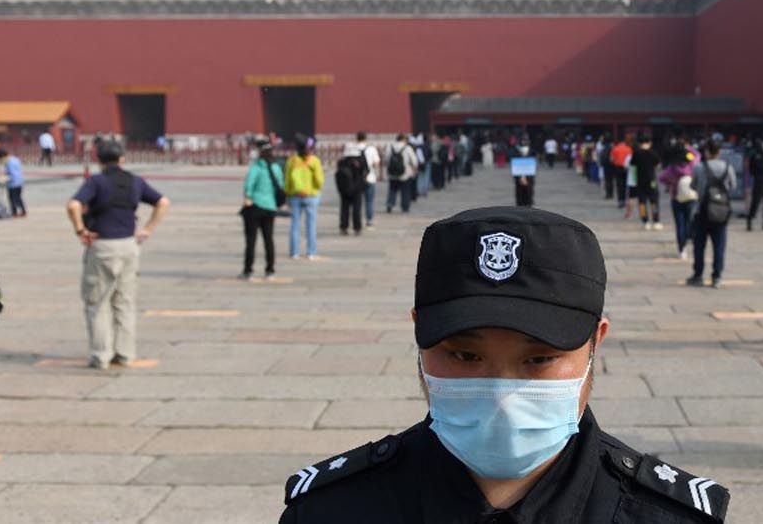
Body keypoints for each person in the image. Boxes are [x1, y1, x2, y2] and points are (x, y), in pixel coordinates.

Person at [277, 206, 730, 523]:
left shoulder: (664, 516)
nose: (500, 393)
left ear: (596, 343)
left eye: (539, 359)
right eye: (465, 355)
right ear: (419, 334)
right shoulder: (331, 510)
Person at [66, 140, 169, 369]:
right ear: (122, 159)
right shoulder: (135, 181)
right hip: (128, 245)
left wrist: (80, 230)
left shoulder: (96, 182)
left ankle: (101, 355)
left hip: (102, 245)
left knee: (98, 301)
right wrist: (148, 229)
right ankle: (125, 354)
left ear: (99, 161)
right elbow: (162, 201)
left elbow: (73, 205)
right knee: (124, 302)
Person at [688, 140, 736, 287]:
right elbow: (733, 186)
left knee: (699, 245)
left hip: (702, 210)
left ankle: (698, 275)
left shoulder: (699, 167)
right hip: (721, 211)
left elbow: (693, 185)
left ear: (706, 152)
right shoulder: (728, 167)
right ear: (719, 152)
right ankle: (717, 276)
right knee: (719, 245)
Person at [240, 141, 284, 280]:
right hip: (270, 208)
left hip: (255, 207)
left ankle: (248, 270)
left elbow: (248, 186)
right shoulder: (276, 168)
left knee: (251, 241)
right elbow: (281, 185)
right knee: (268, 239)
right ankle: (270, 270)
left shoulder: (257, 167)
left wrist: (248, 197)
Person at [285, 136, 325, 260]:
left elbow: (287, 180)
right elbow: (319, 181)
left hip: (295, 195)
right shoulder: (314, 161)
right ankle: (311, 252)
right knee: (311, 225)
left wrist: (288, 192)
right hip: (311, 195)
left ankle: (294, 252)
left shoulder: (292, 161)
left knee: (294, 225)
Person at [659, 147, 698, 260]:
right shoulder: (692, 165)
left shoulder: (672, 168)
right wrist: (689, 147)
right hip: (691, 197)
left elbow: (661, 178)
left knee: (679, 224)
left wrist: (671, 184)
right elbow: (697, 156)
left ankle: (682, 249)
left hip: (676, 198)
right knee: (689, 220)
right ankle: (689, 237)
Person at [336, 144, 368, 237]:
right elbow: (366, 172)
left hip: (344, 189)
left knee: (344, 209)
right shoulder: (360, 161)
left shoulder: (341, 162)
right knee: (356, 209)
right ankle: (357, 228)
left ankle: (343, 227)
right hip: (357, 188)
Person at [745, 134, 763, 232]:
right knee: (756, 201)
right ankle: (750, 220)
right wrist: (757, 175)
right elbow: (751, 168)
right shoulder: (756, 154)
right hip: (759, 180)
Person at [633, 137, 663, 230]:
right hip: (652, 181)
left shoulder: (636, 153)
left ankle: (645, 222)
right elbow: (658, 165)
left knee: (642, 203)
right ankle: (656, 221)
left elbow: (632, 166)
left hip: (640, 181)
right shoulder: (653, 153)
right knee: (654, 202)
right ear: (649, 143)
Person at [386, 135, 420, 214]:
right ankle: (405, 206)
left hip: (392, 173)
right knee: (405, 191)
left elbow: (386, 159)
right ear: (404, 139)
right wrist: (414, 170)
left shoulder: (390, 147)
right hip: (405, 174)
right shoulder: (407, 148)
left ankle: (390, 204)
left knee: (392, 190)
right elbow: (414, 161)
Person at [356, 132, 381, 230]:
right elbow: (376, 163)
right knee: (369, 201)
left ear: (356, 138)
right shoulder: (371, 149)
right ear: (366, 138)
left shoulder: (352, 149)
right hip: (370, 178)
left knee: (357, 201)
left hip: (356, 180)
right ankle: (369, 221)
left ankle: (356, 221)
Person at [0, 148, 26, 217]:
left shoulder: (10, 162)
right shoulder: (14, 159)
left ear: (3, 157)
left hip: (14, 184)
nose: (0, 161)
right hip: (19, 182)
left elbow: (13, 175)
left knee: (13, 199)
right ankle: (22, 211)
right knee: (18, 198)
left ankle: (15, 213)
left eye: (0, 159)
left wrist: (4, 178)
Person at [510, 136, 536, 207]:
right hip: (519, 174)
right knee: (519, 190)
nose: (525, 142)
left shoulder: (532, 151)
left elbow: (534, 161)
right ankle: (519, 204)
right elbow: (513, 160)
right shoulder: (516, 151)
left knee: (529, 189)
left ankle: (529, 203)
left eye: (527, 140)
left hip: (529, 175)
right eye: (524, 140)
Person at [609, 136, 632, 208]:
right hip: (626, 168)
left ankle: (620, 201)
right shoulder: (629, 149)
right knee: (625, 185)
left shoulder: (615, 148)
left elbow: (611, 159)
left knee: (619, 185)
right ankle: (624, 200)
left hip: (617, 168)